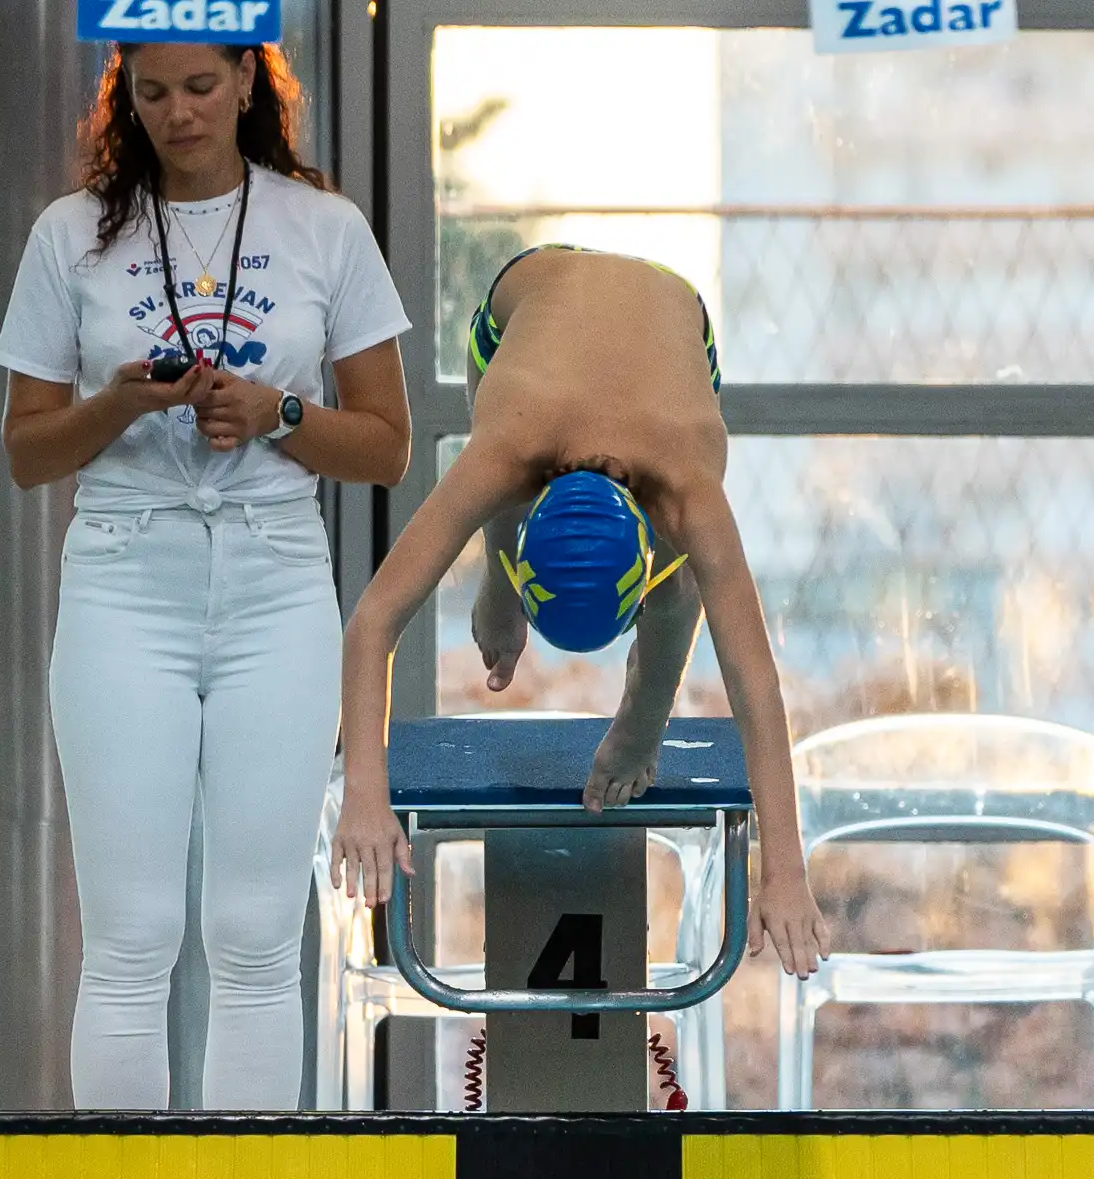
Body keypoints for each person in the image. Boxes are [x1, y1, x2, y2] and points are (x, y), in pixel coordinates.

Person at [0, 38, 412, 1109]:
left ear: (244, 83)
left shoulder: (322, 226)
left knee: (256, 935)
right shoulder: (73, 234)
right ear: (123, 100)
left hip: (275, 582)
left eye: (197, 87)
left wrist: (276, 413)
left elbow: (387, 445)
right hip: (126, 580)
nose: (177, 113)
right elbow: (26, 449)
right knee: (132, 936)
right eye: (151, 93)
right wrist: (120, 404)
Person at [330, 245, 830, 978]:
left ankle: (640, 724)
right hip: (526, 309)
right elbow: (374, 621)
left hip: (673, 315)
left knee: (683, 578)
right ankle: (501, 571)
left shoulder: (686, 479)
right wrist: (364, 796)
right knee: (495, 477)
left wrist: (784, 870)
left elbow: (755, 680)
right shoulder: (505, 444)